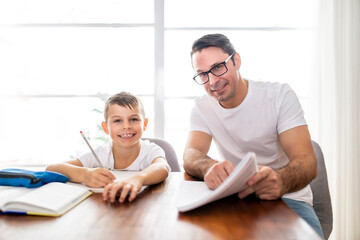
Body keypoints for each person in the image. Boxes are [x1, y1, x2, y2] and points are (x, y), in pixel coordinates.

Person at [183, 33, 324, 238]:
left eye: (218, 67)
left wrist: (280, 181)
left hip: (288, 198)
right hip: (236, 197)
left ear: (236, 61)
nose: (212, 81)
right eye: (203, 74)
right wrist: (208, 166)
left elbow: (307, 162)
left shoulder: (279, 96)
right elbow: (190, 154)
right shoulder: (202, 107)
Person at [46, 92, 170, 203]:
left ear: (145, 124)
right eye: (117, 121)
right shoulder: (101, 153)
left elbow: (162, 167)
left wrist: (138, 179)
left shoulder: (151, 150)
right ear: (106, 128)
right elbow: (52, 168)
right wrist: (84, 175)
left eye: (133, 119)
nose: (126, 126)